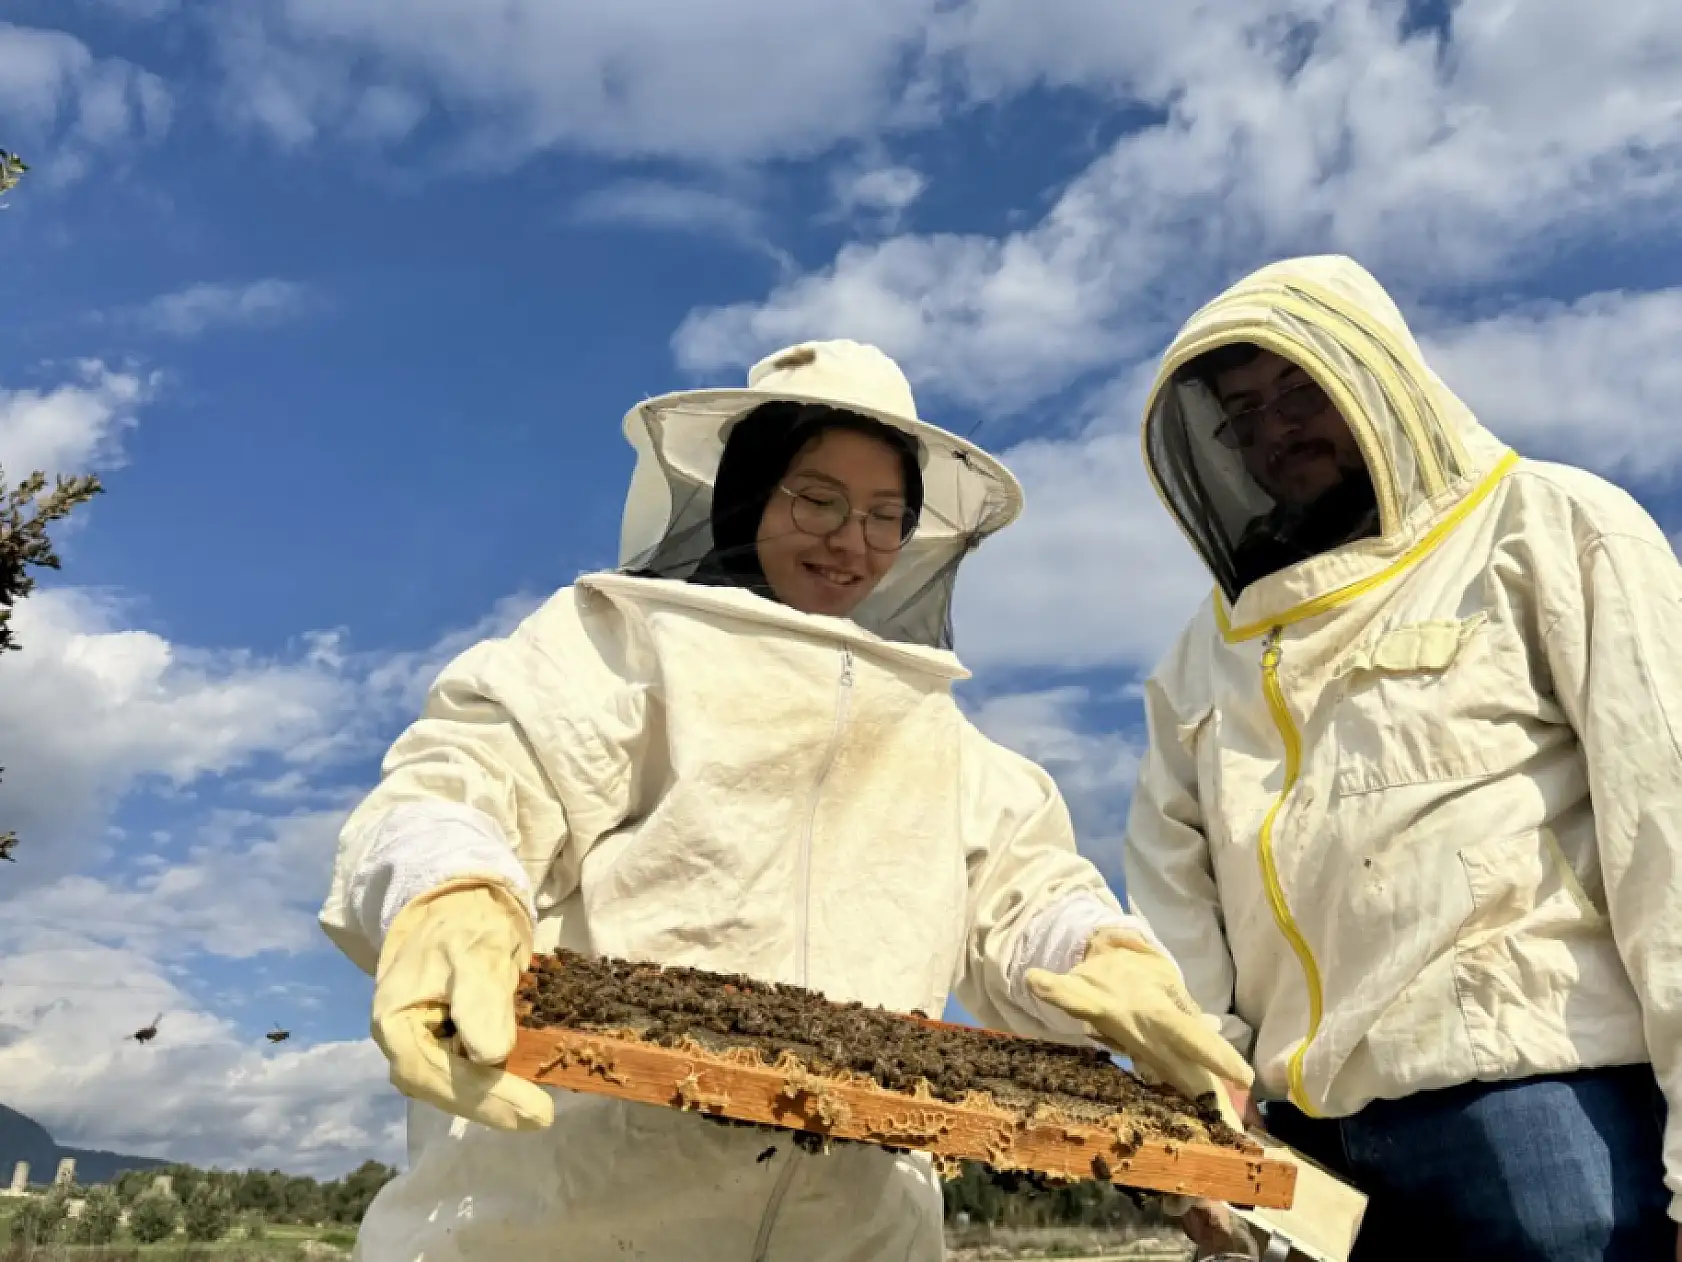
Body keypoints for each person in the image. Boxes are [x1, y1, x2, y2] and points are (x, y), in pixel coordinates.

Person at [319, 339, 1251, 1262]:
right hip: (560, 1222)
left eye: (885, 515)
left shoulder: (938, 732)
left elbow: (1024, 895)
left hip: (859, 1238)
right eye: (818, 499)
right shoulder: (616, 648)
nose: (852, 541)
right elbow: (470, 774)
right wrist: (449, 883)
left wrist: (1098, 951)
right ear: (748, 494)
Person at [1123, 254, 1682, 1261]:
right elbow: (1175, 907)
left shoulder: (1550, 527)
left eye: (1300, 389)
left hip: (1545, 1120)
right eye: (1242, 413)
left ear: (1374, 374)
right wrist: (1206, 1113)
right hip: (1305, 1156)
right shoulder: (1200, 657)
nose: (1275, 428)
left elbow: (1666, 830)